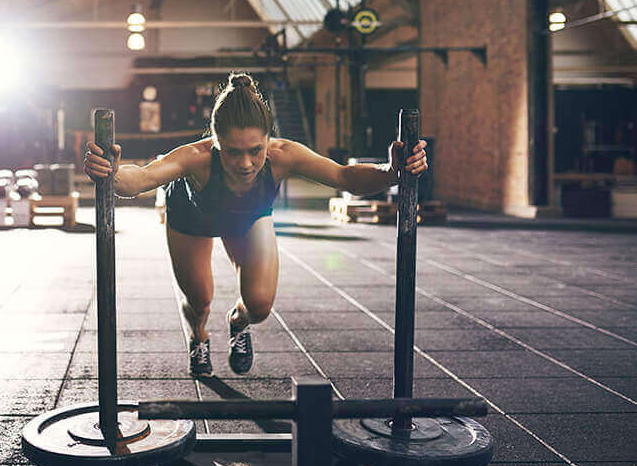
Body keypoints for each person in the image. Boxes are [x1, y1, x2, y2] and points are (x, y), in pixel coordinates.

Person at [84, 72, 428, 377]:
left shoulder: (283, 154)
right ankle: (199, 336)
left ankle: (237, 323)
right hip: (192, 217)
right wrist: (112, 173)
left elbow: (344, 176)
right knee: (200, 299)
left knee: (260, 304)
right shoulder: (196, 158)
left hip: (249, 216)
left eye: (255, 150)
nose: (246, 163)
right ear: (216, 142)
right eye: (233, 152)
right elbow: (139, 180)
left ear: (268, 140)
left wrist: (391, 172)